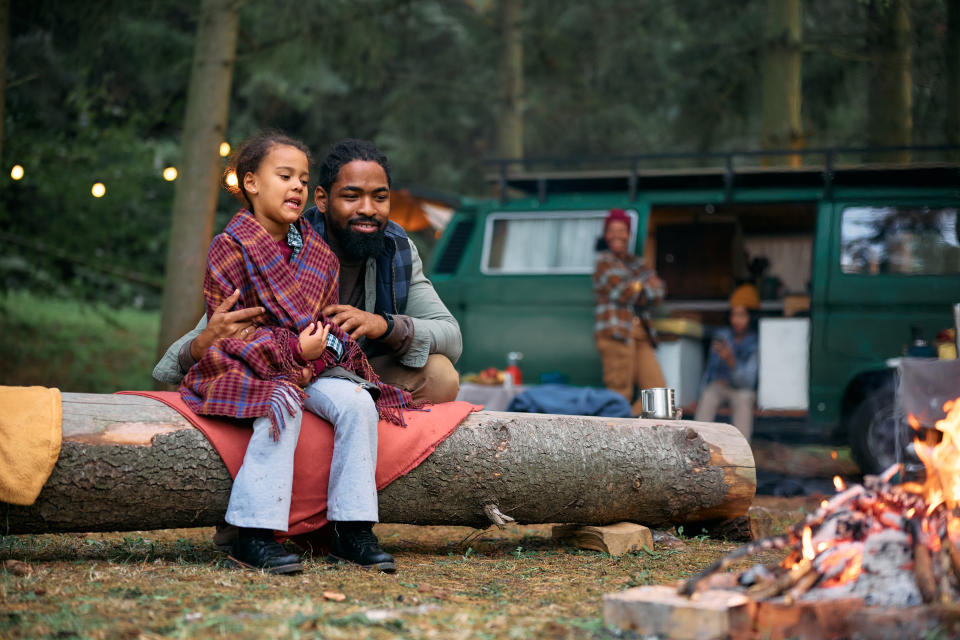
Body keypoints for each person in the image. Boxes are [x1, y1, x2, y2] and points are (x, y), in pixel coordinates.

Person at [181, 131, 412, 575]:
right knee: (280, 405)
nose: (296, 188)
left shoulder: (317, 251)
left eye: (302, 180)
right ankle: (253, 534)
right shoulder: (230, 248)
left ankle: (352, 530)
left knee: (358, 404)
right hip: (247, 367)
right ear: (250, 182)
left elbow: (325, 325)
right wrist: (291, 350)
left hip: (312, 365)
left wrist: (312, 352)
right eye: (284, 176)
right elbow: (230, 333)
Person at [153, 139, 462, 405]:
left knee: (441, 375)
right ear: (322, 200)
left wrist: (382, 325)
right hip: (288, 372)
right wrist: (199, 346)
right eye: (352, 196)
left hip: (359, 372)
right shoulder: (282, 242)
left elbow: (451, 336)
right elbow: (208, 335)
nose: (368, 208)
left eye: (379, 197)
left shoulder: (398, 248)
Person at [593, 208, 667, 415]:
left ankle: (638, 434)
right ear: (606, 235)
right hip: (615, 331)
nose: (617, 235)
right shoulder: (603, 262)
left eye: (622, 230)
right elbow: (624, 292)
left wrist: (637, 286)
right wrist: (641, 286)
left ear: (629, 234)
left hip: (641, 332)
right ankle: (615, 443)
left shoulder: (638, 262)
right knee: (619, 394)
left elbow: (659, 291)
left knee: (657, 395)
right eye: (612, 231)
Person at [694, 287, 760, 441]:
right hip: (720, 387)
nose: (736, 320)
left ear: (751, 317)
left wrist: (731, 360)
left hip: (742, 390)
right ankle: (695, 449)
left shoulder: (755, 341)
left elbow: (748, 382)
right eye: (733, 315)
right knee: (708, 395)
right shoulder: (723, 335)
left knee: (743, 401)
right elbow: (710, 371)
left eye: (741, 315)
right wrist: (700, 392)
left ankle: (741, 456)